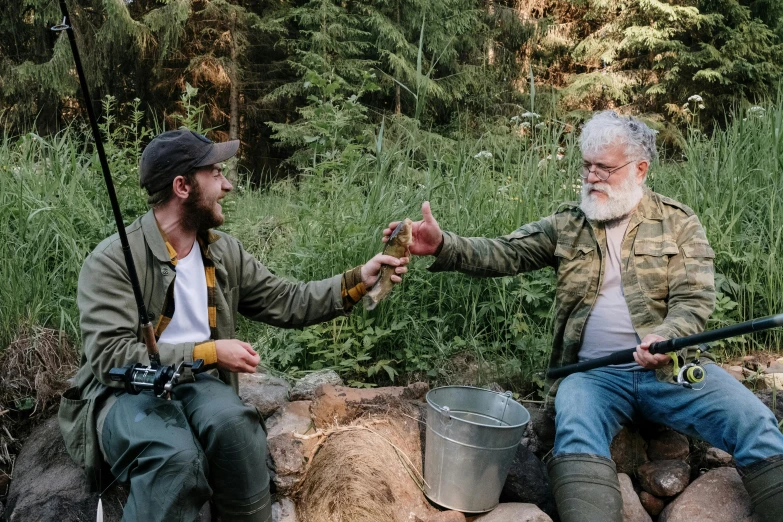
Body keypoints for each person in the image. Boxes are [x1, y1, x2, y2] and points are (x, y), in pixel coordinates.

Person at [383, 111, 783, 522]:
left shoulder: (678, 223)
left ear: (640, 169)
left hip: (670, 371)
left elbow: (694, 298)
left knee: (754, 421)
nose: (592, 176)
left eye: (605, 168)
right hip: (593, 375)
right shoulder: (568, 224)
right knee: (574, 421)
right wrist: (443, 245)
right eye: (587, 165)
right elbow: (504, 251)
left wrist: (667, 336)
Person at [59, 129, 408, 522]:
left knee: (238, 431)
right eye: (216, 174)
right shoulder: (112, 260)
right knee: (174, 458)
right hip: (124, 393)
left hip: (196, 384)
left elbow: (286, 300)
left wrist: (360, 279)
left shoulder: (222, 250)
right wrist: (210, 353)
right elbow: (111, 359)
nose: (228, 185)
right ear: (182, 186)